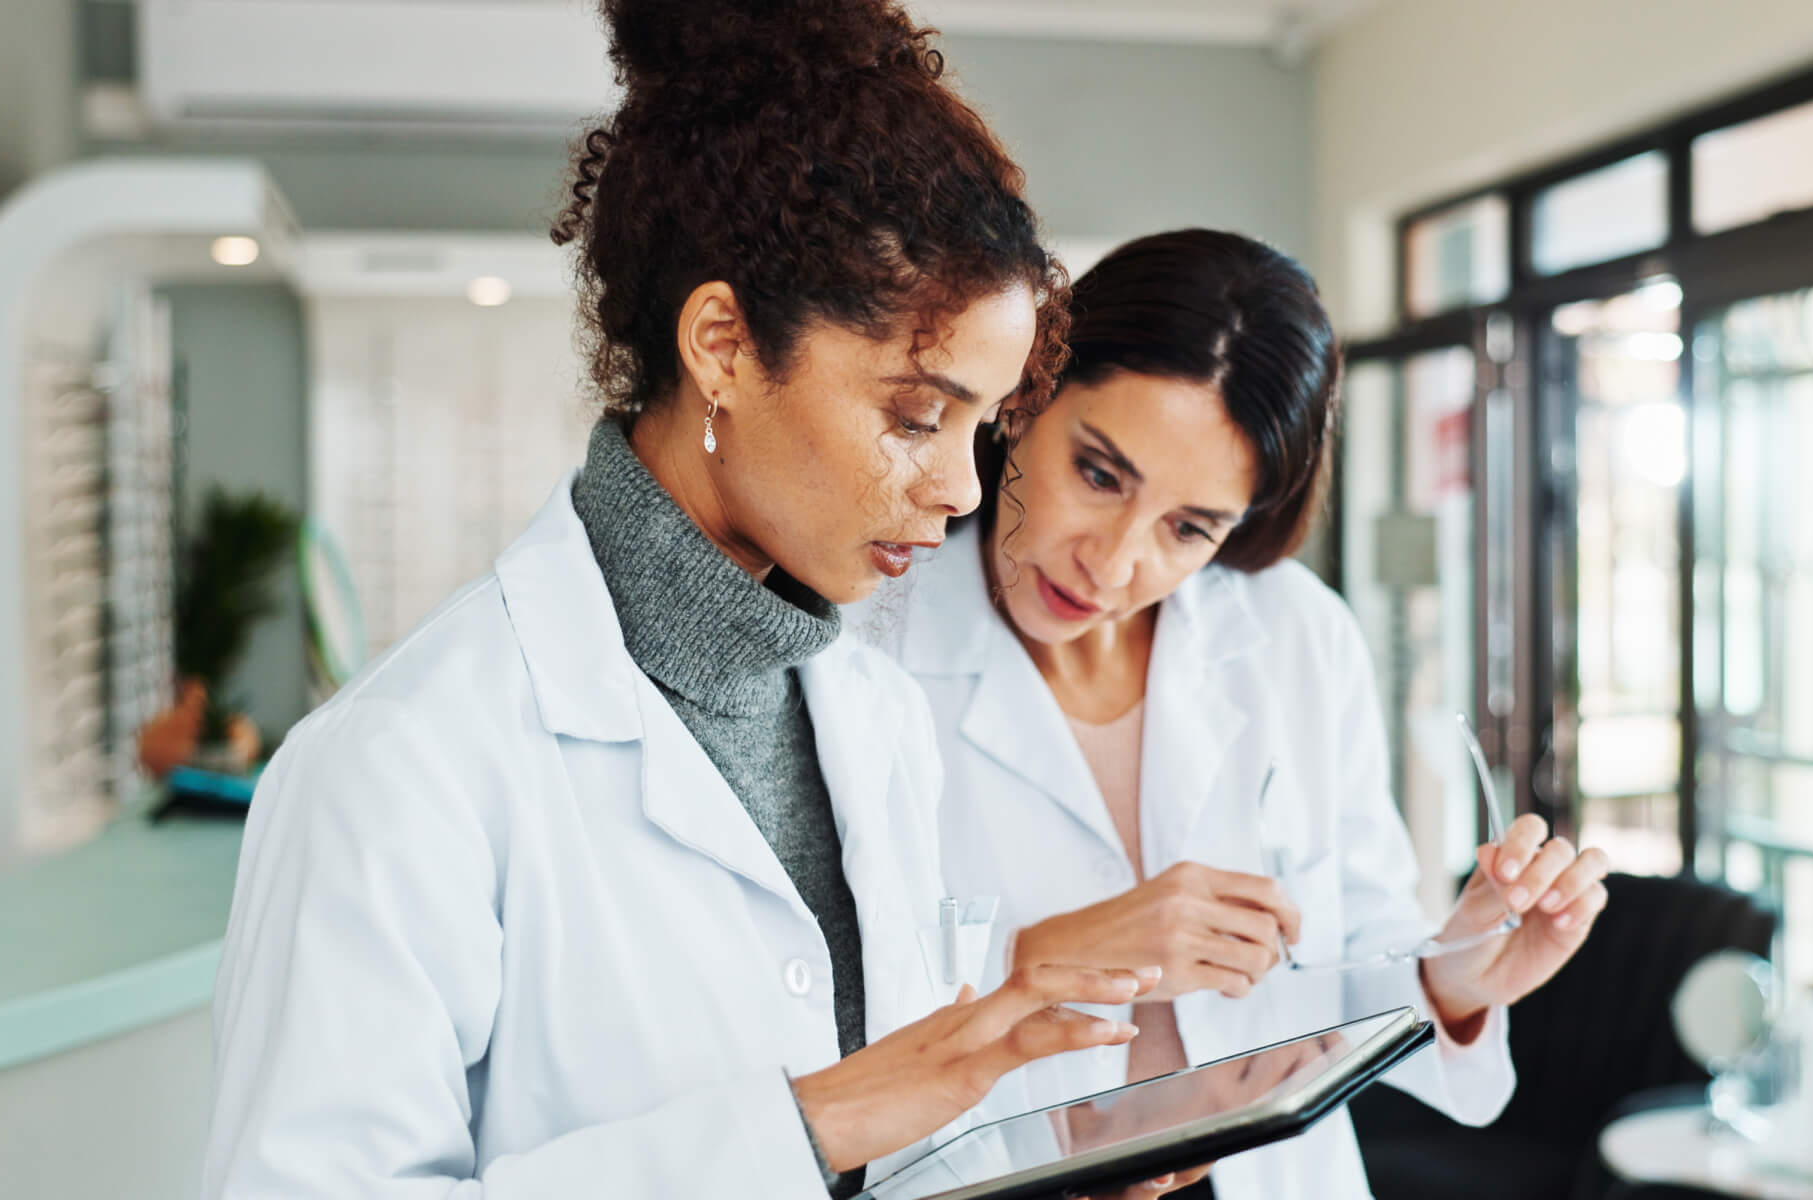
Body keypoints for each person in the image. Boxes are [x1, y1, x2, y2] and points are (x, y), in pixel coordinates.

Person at [199, 3, 1165, 1196]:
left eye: (984, 426)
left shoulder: (872, 718)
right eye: (917, 418)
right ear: (721, 344)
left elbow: (900, 1151)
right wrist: (804, 1129)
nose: (961, 490)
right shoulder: (401, 763)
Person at [870, 230, 1613, 1198]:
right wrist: (1040, 958)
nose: (1115, 562)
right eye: (1099, 474)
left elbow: (1350, 965)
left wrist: (1458, 975)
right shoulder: (863, 643)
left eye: (1190, 527)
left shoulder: (1296, 634)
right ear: (1023, 401)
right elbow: (807, 1022)